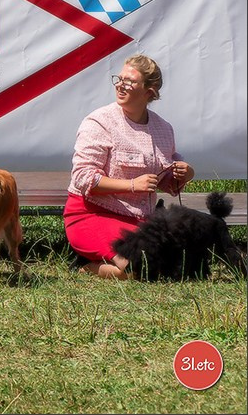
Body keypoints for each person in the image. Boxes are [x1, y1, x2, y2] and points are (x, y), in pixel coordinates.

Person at [65, 54, 194, 279]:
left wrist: (184, 174)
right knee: (138, 268)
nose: (120, 85)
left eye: (130, 81)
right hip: (92, 214)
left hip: (139, 221)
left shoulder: (164, 129)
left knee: (173, 267)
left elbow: (167, 183)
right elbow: (83, 178)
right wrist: (132, 185)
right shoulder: (99, 122)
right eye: (119, 79)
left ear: (149, 92)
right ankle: (85, 266)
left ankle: (99, 260)